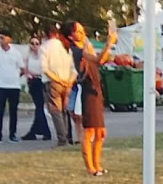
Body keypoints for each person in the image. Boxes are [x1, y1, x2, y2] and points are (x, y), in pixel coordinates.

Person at [63, 21, 116, 175]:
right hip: (87, 89)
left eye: (81, 29)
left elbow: (101, 60)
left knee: (100, 132)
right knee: (90, 131)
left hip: (96, 89)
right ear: (70, 36)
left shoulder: (86, 46)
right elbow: (97, 60)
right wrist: (109, 42)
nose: (81, 32)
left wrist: (109, 53)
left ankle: (97, 164)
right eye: (77, 31)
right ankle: (90, 167)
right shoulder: (77, 51)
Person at [41, 24, 77, 147]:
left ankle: (62, 139)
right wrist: (68, 82)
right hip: (67, 80)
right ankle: (67, 136)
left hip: (53, 82)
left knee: (56, 111)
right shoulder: (65, 47)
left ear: (46, 34)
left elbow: (45, 69)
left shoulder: (45, 47)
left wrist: (57, 80)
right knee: (64, 111)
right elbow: (73, 69)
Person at [0, 30, 25, 144]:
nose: (1, 41)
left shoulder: (16, 53)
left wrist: (14, 76)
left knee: (13, 111)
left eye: (3, 38)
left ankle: (12, 134)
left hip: (14, 86)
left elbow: (22, 69)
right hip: (1, 85)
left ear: (9, 39)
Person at [21, 36, 51, 141]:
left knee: (39, 107)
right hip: (32, 81)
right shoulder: (28, 56)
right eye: (32, 43)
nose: (34, 46)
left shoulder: (42, 56)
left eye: (37, 43)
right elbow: (25, 69)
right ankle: (39, 131)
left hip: (41, 81)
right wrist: (28, 75)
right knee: (39, 107)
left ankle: (39, 131)